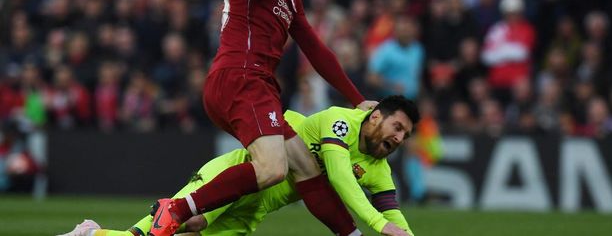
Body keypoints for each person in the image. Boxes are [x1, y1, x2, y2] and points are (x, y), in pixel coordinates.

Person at [149, 0, 377, 236]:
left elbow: (316, 50)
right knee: (272, 169)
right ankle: (177, 209)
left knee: (305, 168)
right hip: (243, 78)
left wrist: (357, 99)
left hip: (250, 84)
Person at [59, 96, 418, 236]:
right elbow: (339, 176)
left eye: (405, 134)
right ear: (374, 117)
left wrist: (401, 231)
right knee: (172, 228)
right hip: (237, 177)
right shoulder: (341, 121)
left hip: (254, 212)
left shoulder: (379, 169)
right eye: (397, 126)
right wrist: (376, 226)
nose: (399, 138)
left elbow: (395, 213)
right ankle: (90, 234)